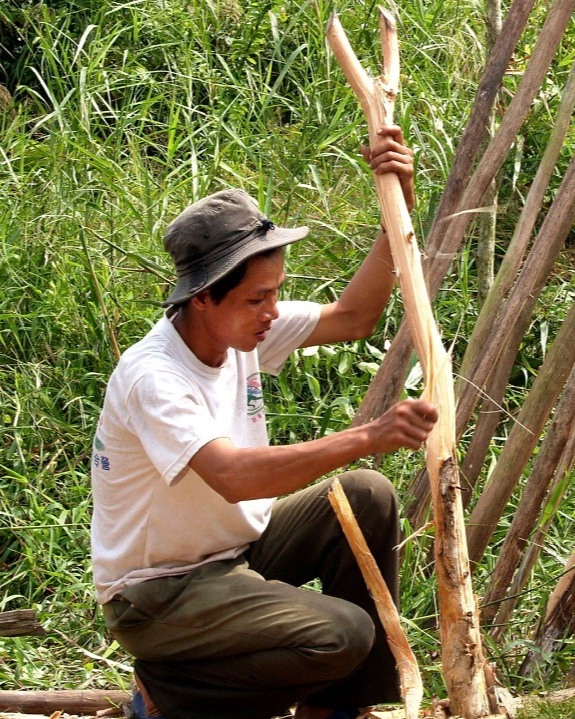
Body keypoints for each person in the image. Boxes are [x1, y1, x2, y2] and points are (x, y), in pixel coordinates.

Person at [90, 126, 433, 719]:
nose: (271, 312)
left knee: (365, 496)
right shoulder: (154, 376)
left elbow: (354, 316)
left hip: (233, 555)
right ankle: (170, 695)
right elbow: (234, 477)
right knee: (344, 634)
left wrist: (393, 214)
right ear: (201, 299)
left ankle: (337, 709)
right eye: (257, 299)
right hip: (159, 595)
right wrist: (367, 436)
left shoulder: (244, 327)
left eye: (276, 293)